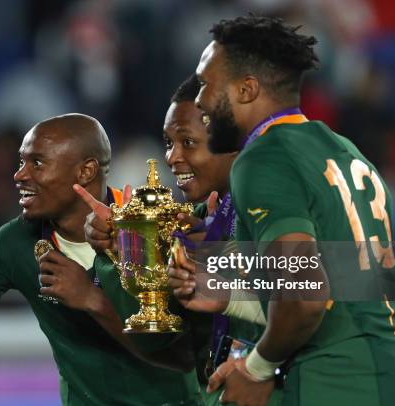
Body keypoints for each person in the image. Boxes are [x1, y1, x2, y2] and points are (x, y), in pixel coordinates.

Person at [168, 15, 395, 406]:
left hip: (337, 383)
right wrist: (234, 295)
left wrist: (257, 368)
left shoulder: (264, 159)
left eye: (207, 83)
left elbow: (305, 295)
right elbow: (346, 287)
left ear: (246, 89)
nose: (202, 99)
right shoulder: (344, 151)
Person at [0, 113, 202, 406]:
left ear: (85, 171)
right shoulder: (14, 244)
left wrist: (91, 299)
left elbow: (189, 356)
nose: (19, 175)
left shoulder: (157, 225)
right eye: (22, 161)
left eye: (37, 163)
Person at [76, 75, 272, 406]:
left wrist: (221, 256)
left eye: (188, 143)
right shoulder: (187, 223)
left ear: (231, 139)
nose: (172, 157)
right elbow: (159, 343)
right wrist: (122, 249)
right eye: (168, 143)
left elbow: (339, 288)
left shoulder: (276, 201)